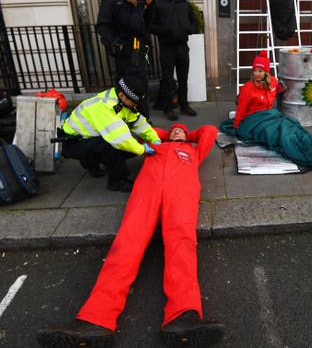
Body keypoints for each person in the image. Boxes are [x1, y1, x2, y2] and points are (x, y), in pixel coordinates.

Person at [37, 123, 224, 348]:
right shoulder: (153, 143)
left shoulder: (194, 150)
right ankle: (95, 320)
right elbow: (143, 130)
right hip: (147, 191)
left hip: (181, 194)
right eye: (173, 130)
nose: (176, 131)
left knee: (182, 245)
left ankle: (183, 316)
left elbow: (210, 131)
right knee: (126, 244)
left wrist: (186, 136)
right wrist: (166, 135)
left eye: (180, 131)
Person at [226, 51, 312, 168]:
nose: (257, 74)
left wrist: (282, 88)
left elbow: (276, 89)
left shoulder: (272, 82)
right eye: (255, 71)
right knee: (280, 133)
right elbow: (241, 109)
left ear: (266, 72)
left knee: (289, 124)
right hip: (255, 120)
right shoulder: (247, 89)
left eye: (260, 71)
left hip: (271, 116)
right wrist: (237, 126)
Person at [60, 75, 160, 192]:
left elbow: (138, 123)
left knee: (124, 147)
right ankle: (117, 181)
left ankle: (90, 161)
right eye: (134, 102)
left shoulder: (121, 101)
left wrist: (155, 139)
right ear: (122, 95)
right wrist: (142, 149)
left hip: (86, 138)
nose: (135, 106)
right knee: (112, 146)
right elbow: (120, 140)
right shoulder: (104, 106)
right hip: (72, 142)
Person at [96, 0, 150, 118]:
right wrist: (112, 44)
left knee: (141, 85)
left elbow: (139, 26)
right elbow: (102, 26)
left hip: (138, 51)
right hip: (125, 53)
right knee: (126, 87)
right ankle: (127, 118)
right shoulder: (111, 2)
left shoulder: (133, 0)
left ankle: (143, 119)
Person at [149, 0, 199, 121]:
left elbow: (194, 23)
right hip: (167, 48)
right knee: (168, 79)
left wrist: (187, 29)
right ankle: (168, 107)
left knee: (184, 78)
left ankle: (184, 105)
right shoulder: (157, 3)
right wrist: (166, 30)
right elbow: (150, 26)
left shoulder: (184, 3)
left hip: (182, 47)